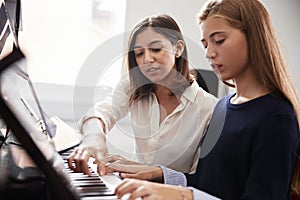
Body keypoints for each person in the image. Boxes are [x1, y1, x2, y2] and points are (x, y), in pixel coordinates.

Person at [112, 0, 300, 199]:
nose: (209, 53)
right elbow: (205, 184)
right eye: (205, 44)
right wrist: (156, 173)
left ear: (254, 37)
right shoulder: (222, 108)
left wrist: (184, 195)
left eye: (218, 40)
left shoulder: (276, 116)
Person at [67, 14, 218, 176]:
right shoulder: (132, 87)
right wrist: (93, 139)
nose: (147, 59)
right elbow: (102, 112)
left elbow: (199, 180)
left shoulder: (209, 108)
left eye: (156, 49)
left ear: (178, 49)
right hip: (132, 187)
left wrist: (146, 171)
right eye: (139, 53)